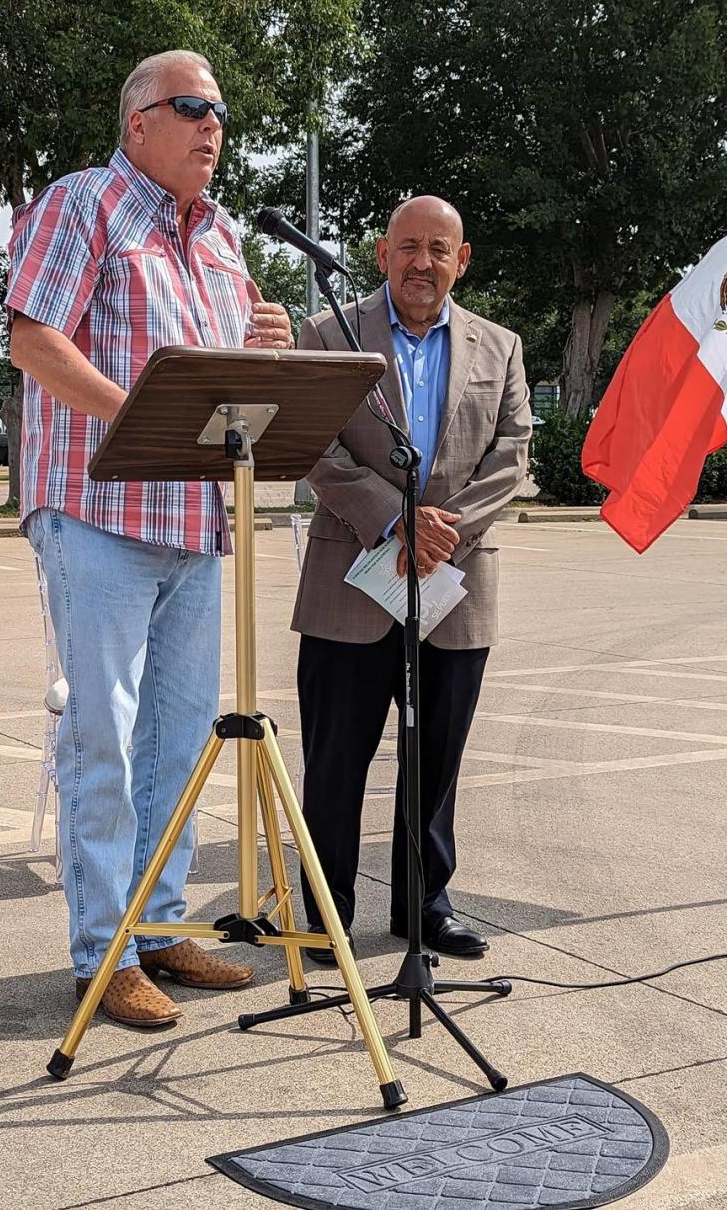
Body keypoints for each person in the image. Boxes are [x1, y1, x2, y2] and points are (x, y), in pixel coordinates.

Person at [6, 50, 293, 1027]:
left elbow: (225, 387)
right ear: (139, 122)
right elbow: (33, 339)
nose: (213, 125)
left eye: (220, 111)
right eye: (192, 107)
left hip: (195, 519)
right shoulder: (82, 204)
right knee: (106, 744)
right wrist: (143, 418)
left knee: (176, 742)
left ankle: (162, 928)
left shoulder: (220, 241)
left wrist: (267, 361)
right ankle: (103, 955)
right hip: (97, 512)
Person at [291, 195, 531, 964]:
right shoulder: (328, 334)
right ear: (381, 252)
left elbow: (514, 453)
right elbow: (314, 445)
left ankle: (424, 906)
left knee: (436, 762)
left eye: (438, 249)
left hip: (455, 583)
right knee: (336, 762)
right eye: (407, 247)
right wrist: (396, 517)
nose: (421, 262)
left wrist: (439, 528)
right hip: (351, 579)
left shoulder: (501, 347)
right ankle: (327, 912)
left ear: (462, 261)